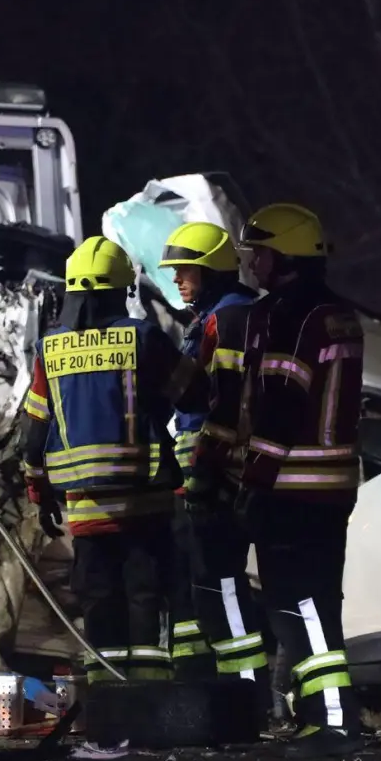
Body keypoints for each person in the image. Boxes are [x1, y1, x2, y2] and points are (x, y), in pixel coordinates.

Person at [194, 203, 365, 756]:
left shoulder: (286, 316)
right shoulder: (338, 313)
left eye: (259, 252)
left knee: (296, 603)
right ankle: (330, 716)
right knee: (318, 602)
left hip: (292, 485)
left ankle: (331, 721)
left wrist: (254, 480)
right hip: (332, 485)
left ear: (284, 257)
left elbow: (279, 404)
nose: (252, 263)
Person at [21, 237, 208, 684]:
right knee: (144, 597)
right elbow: (195, 393)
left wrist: (37, 489)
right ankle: (145, 701)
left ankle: (106, 705)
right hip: (145, 502)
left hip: (85, 509)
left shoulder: (50, 349)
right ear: (120, 290)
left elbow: (34, 431)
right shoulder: (143, 338)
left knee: (98, 601)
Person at [157, 223, 258, 679]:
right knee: (201, 581)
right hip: (201, 471)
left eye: (185, 271)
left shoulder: (230, 318)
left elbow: (219, 400)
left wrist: (203, 473)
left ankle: (246, 684)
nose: (177, 280)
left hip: (216, 472)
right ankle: (205, 683)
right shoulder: (213, 316)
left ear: (212, 270)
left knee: (223, 581)